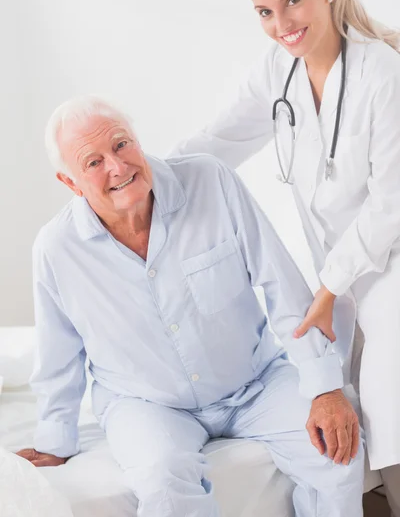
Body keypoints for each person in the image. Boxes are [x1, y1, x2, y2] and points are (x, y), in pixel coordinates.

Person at [17, 96, 364, 516]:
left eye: (121, 144)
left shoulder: (210, 180)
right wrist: (55, 443)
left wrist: (324, 388)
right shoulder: (56, 249)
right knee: (164, 481)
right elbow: (59, 355)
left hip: (254, 382)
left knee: (337, 455)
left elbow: (283, 286)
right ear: (70, 182)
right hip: (145, 403)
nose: (117, 166)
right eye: (93, 162)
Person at [171, 0, 400, 514]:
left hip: (387, 260)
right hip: (344, 278)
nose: (281, 24)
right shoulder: (280, 70)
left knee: (389, 396)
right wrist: (145, 177)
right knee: (350, 407)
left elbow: (391, 203)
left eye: (293, 2)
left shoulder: (382, 72)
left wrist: (326, 288)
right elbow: (218, 142)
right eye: (266, 13)